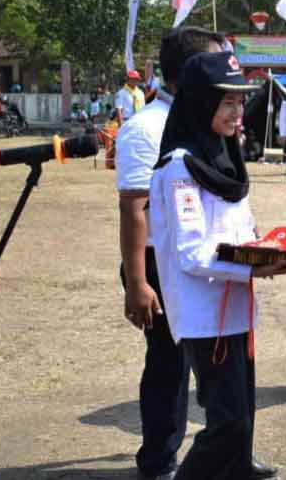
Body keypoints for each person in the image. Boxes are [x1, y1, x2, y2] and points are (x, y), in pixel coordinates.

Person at [149, 51, 286, 480]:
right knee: (228, 424)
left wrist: (267, 249)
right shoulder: (180, 168)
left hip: (236, 309)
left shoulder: (225, 154)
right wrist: (258, 264)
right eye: (227, 102)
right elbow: (193, 253)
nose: (238, 112)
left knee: (242, 420)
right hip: (204, 316)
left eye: (240, 102)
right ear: (201, 102)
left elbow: (240, 226)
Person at [115, 27, 226, 480]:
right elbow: (134, 209)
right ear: (193, 72)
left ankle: (231, 449)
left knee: (225, 360)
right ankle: (159, 461)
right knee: (169, 364)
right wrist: (138, 283)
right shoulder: (145, 129)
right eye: (217, 64)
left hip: (210, 260)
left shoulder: (210, 120)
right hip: (161, 265)